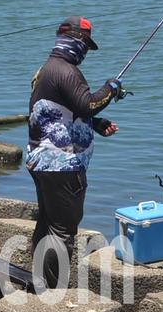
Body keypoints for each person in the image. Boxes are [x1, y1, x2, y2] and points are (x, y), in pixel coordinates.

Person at [26, 16, 124, 289]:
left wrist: (96, 125)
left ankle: (39, 282)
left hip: (41, 160)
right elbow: (86, 104)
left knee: (47, 223)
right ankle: (54, 292)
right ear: (77, 41)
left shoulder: (45, 70)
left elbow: (57, 114)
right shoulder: (67, 72)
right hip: (62, 166)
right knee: (63, 230)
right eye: (85, 45)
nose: (85, 53)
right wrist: (111, 88)